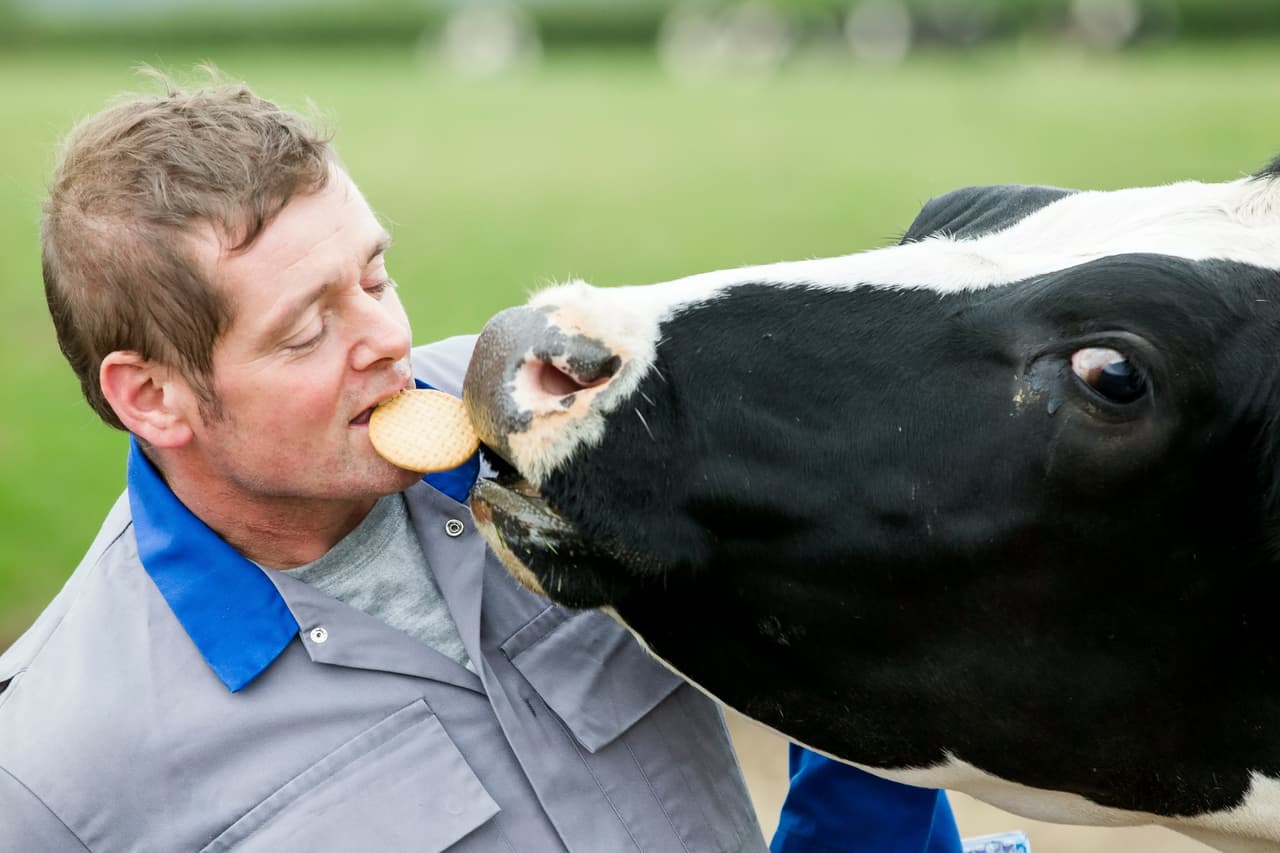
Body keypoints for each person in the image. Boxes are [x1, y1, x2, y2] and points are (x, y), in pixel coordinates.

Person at [0, 73, 962, 853]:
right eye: (308, 329)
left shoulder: (570, 412)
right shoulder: (50, 774)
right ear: (152, 396)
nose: (387, 337)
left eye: (375, 275)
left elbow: (867, 575)